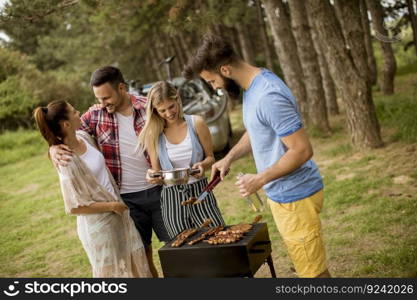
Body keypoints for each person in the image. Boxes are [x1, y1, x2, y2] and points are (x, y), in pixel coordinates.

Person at [183, 34, 331, 278]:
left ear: (225, 69)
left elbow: (302, 149)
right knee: (307, 265)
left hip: (295, 195)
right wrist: (228, 158)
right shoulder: (253, 87)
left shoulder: (267, 95)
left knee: (313, 273)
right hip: (286, 195)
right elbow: (257, 130)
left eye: (212, 81)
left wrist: (259, 179)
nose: (214, 87)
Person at [50, 66, 170, 277]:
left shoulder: (148, 107)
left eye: (106, 97)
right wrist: (52, 149)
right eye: (98, 98)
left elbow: (177, 124)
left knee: (174, 247)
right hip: (126, 199)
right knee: (143, 254)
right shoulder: (95, 115)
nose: (102, 103)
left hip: (159, 190)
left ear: (122, 88)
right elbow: (65, 133)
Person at [33, 100, 152, 278]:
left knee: (137, 268)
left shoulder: (84, 137)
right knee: (112, 276)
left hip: (119, 217)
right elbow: (74, 206)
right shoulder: (66, 160)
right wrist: (113, 206)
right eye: (74, 112)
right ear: (66, 124)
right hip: (100, 227)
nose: (78, 112)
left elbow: (101, 107)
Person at [139, 81, 225, 239]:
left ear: (177, 99)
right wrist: (151, 175)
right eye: (162, 110)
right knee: (183, 246)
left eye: (171, 106)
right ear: (155, 110)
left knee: (216, 237)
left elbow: (210, 158)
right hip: (172, 197)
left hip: (201, 192)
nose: (169, 113)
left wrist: (203, 165)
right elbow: (157, 172)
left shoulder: (196, 123)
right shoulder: (154, 134)